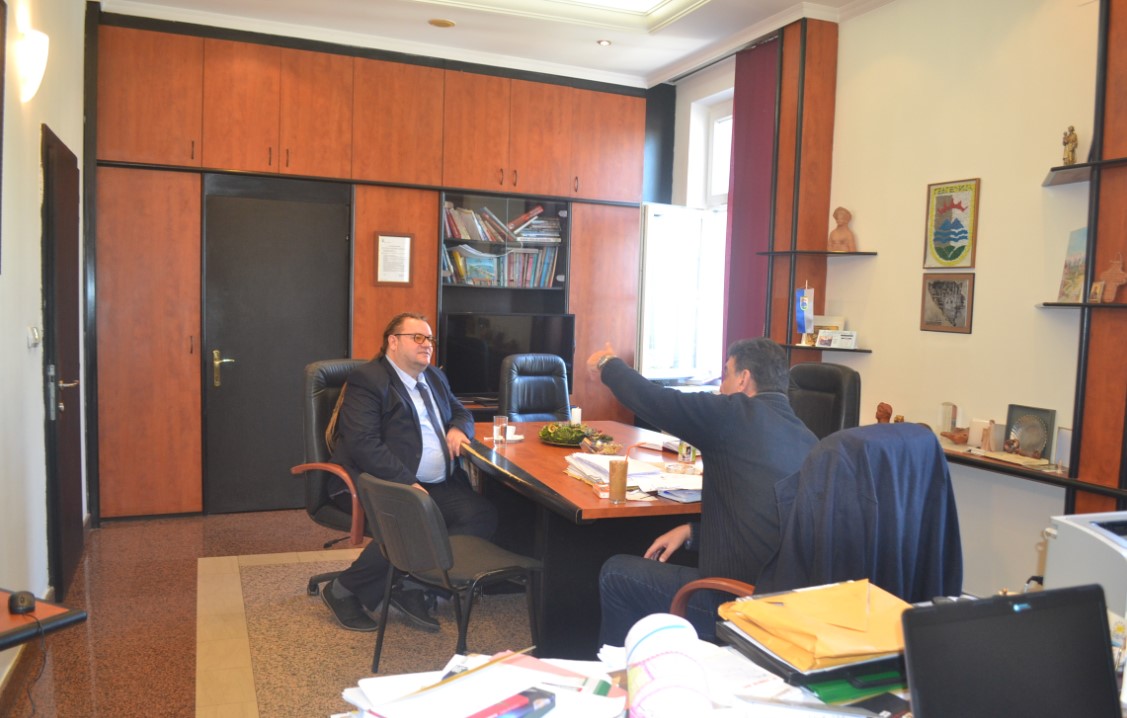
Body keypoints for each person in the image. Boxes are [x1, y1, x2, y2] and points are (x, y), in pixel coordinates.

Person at [588, 338, 818, 645]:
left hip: (736, 606)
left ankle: (617, 670)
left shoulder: (733, 414)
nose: (721, 386)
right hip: (788, 609)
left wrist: (608, 364)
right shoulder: (808, 437)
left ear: (743, 378)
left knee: (616, 573)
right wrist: (693, 532)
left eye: (726, 374)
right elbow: (765, 521)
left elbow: (654, 399)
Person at [322, 312, 498, 632]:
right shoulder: (368, 380)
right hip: (378, 483)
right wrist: (407, 483)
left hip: (436, 484)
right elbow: (363, 444)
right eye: (417, 337)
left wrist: (459, 428)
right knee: (415, 522)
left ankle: (415, 586)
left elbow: (461, 411)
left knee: (480, 515)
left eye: (429, 338)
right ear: (393, 342)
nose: (427, 344)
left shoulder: (435, 376)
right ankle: (342, 590)